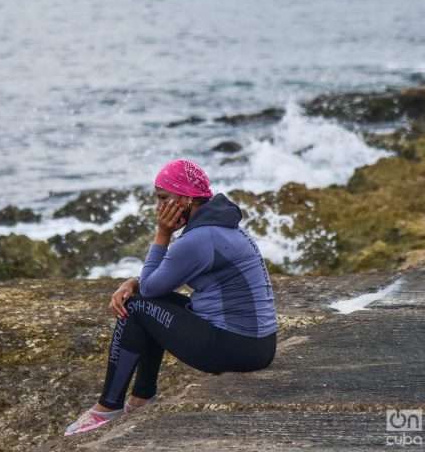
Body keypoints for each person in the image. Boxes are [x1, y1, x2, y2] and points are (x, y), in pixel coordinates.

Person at [64, 159, 278, 436]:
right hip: (257, 345)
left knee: (135, 306)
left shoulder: (197, 239)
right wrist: (135, 281)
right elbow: (159, 285)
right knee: (149, 307)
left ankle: (108, 407)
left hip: (236, 347)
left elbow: (152, 290)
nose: (158, 207)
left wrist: (162, 233)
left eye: (163, 198)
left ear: (186, 200)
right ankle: (141, 399)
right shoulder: (222, 226)